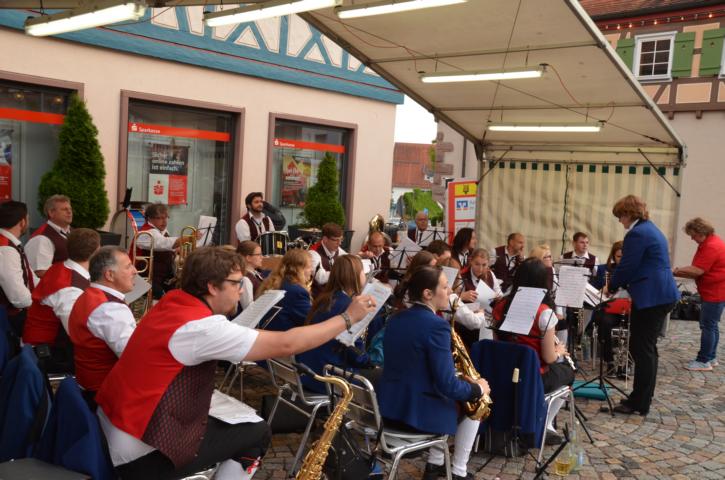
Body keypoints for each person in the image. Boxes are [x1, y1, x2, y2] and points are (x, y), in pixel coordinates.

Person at [94, 246, 375, 480]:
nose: (241, 290)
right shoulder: (201, 328)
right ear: (211, 286)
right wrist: (347, 318)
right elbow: (287, 344)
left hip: (117, 426)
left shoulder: (173, 301)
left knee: (243, 424)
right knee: (256, 434)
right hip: (138, 452)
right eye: (236, 283)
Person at [377, 265, 490, 480]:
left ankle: (436, 464)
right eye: (445, 287)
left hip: (390, 408)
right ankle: (458, 471)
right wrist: (477, 388)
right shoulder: (437, 326)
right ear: (428, 294)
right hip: (415, 415)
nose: (450, 292)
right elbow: (447, 385)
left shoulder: (396, 318)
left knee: (455, 395)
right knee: (477, 402)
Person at [606, 195, 679, 416]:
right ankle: (642, 398)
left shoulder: (637, 233)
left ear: (628, 214)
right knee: (647, 349)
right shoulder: (650, 228)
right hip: (659, 294)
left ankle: (638, 401)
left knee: (642, 349)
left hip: (652, 297)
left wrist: (611, 286)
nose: (620, 221)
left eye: (620, 216)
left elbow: (627, 266)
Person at [492, 258, 575, 444]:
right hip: (533, 377)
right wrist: (559, 351)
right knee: (569, 372)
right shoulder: (544, 313)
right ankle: (544, 424)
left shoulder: (500, 306)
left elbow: (498, 343)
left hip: (503, 373)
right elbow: (549, 357)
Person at [23, 228, 100, 373]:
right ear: (96, 253)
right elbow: (76, 332)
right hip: (48, 354)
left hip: (51, 345)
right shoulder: (69, 289)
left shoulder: (62, 267)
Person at [297, 255, 375, 393]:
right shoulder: (350, 307)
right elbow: (356, 356)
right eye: (363, 271)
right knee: (378, 378)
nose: (365, 275)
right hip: (327, 378)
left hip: (307, 370)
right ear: (355, 276)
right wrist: (371, 363)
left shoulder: (325, 298)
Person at [68, 246, 138, 397]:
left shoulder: (89, 295)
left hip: (89, 385)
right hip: (107, 393)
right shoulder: (109, 309)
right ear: (110, 275)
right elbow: (134, 358)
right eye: (128, 267)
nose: (135, 271)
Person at [673, 217, 725, 371]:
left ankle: (703, 361)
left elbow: (697, 270)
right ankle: (711, 357)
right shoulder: (712, 242)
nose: (692, 238)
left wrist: (674, 271)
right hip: (717, 290)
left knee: (707, 325)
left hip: (714, 292)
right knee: (712, 325)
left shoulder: (711, 246)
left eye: (693, 235)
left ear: (701, 232)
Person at [587, 241, 630, 373]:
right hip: (610, 308)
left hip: (628, 309)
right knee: (603, 321)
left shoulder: (633, 270)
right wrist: (602, 291)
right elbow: (595, 290)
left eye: (624, 256)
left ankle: (628, 362)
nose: (621, 260)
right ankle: (609, 360)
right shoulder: (604, 269)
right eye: (618, 256)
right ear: (613, 256)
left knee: (639, 324)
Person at [131, 203, 184, 300]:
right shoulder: (145, 233)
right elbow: (163, 243)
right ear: (150, 219)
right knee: (166, 298)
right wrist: (187, 238)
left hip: (162, 277)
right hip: (144, 279)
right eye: (159, 218)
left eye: (166, 217)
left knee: (180, 292)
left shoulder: (162, 231)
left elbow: (165, 247)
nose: (164, 221)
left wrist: (177, 250)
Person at [0, 200, 37, 339]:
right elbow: (18, 298)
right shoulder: (6, 249)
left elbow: (31, 277)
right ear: (22, 222)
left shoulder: (9, 244)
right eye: (28, 218)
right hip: (10, 318)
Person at [257, 248, 313, 331]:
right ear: (299, 269)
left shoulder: (274, 283)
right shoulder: (296, 292)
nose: (312, 270)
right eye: (309, 267)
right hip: (284, 336)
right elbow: (311, 321)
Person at [25, 194, 73, 277]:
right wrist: (71, 277)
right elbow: (40, 272)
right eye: (64, 209)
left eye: (70, 209)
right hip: (57, 284)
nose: (69, 212)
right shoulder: (41, 238)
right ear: (51, 213)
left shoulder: (73, 232)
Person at [309, 222, 347, 296]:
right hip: (318, 297)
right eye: (336, 240)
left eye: (341, 240)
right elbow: (320, 278)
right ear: (325, 239)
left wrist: (359, 257)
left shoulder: (337, 249)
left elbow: (348, 258)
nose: (339, 243)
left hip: (333, 295)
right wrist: (341, 273)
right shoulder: (313, 253)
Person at [236, 240, 266, 309]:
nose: (262, 257)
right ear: (248, 258)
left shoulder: (255, 273)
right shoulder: (245, 279)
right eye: (258, 255)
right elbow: (248, 308)